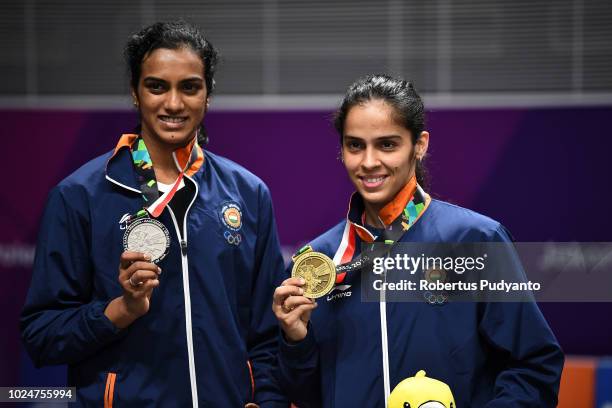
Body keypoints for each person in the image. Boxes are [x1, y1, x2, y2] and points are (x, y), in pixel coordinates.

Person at [21, 21, 287, 407]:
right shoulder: (80, 196)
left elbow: (267, 334)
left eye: (190, 87)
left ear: (208, 95)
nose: (174, 103)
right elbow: (40, 334)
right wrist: (120, 310)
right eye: (157, 86)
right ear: (135, 92)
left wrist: (269, 402)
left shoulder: (248, 194)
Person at [272, 74, 564, 407]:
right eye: (355, 145)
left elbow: (534, 366)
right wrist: (296, 341)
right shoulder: (319, 263)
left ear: (419, 145)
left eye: (387, 144)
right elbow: (307, 395)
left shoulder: (475, 240)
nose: (369, 162)